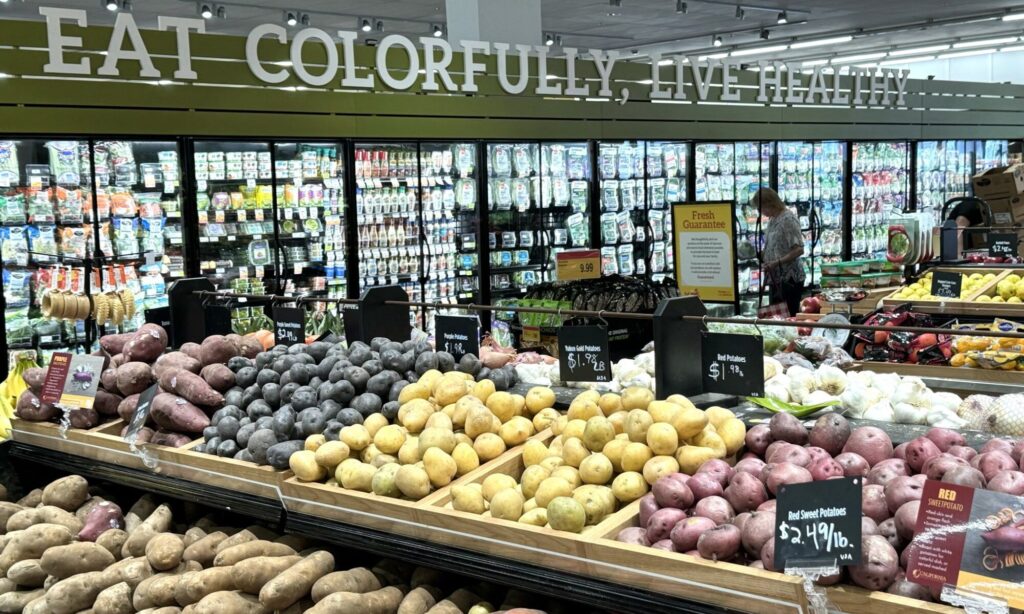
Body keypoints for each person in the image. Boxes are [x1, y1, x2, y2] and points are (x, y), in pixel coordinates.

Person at [753, 187, 805, 316]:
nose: (760, 212)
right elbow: (775, 246)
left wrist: (776, 262)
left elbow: (799, 249)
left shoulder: (788, 219)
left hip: (789, 279)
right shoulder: (773, 220)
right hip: (775, 278)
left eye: (761, 208)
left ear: (770, 204)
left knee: (788, 315)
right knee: (778, 316)